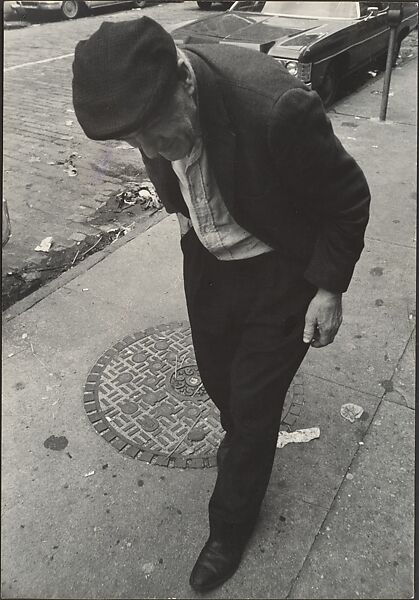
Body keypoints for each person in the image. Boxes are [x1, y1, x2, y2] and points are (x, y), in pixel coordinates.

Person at [72, 16, 370, 593]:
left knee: (253, 409)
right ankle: (245, 438)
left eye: (156, 135)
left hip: (279, 271)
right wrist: (187, 222)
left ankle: (230, 526)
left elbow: (349, 200)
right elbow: (168, 165)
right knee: (218, 380)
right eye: (136, 142)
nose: (151, 150)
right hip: (209, 264)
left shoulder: (276, 108)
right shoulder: (148, 109)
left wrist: (329, 289)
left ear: (185, 80)